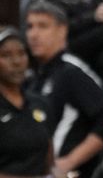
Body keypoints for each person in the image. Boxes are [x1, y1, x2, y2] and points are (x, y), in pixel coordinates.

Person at [25, 0, 103, 178]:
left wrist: (68, 162)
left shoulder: (71, 71)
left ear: (62, 30)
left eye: (43, 26)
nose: (33, 34)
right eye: (30, 27)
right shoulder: (35, 77)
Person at [0, 26, 53, 178]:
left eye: (22, 53)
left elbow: (48, 160)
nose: (16, 62)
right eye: (6, 55)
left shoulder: (40, 103)